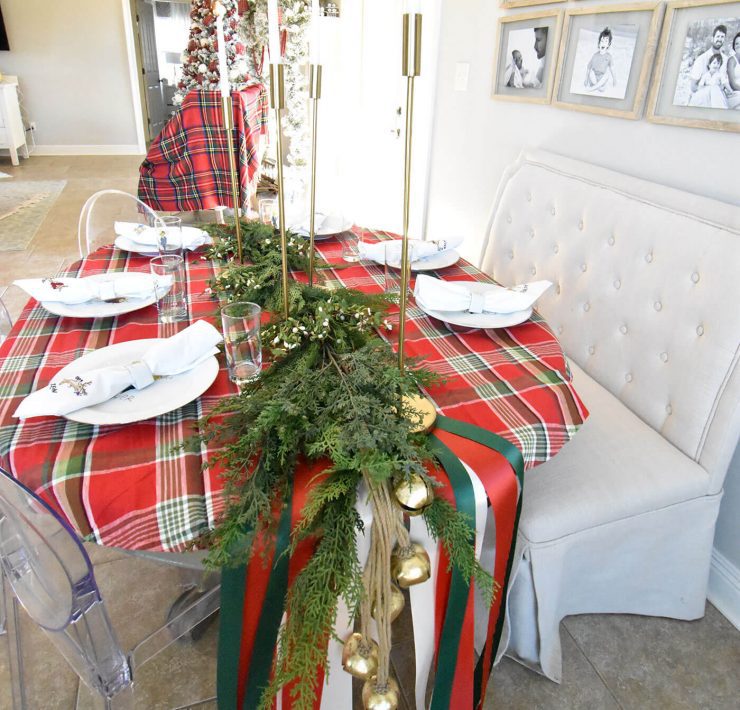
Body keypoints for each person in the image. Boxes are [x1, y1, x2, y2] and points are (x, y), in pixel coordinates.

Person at [688, 24, 731, 108]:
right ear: (712, 38)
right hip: (702, 96)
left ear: (724, 40)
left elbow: (725, 82)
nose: (719, 39)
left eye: (722, 37)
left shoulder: (725, 59)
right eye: (718, 36)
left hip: (720, 96)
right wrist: (710, 90)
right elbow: (693, 87)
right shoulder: (701, 59)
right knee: (715, 89)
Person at [584, 27, 616, 92]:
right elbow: (588, 68)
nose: (603, 43)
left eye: (606, 41)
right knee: (591, 72)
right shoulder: (595, 55)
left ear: (608, 45)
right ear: (599, 43)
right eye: (602, 41)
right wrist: (586, 79)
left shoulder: (609, 56)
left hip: (602, 78)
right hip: (594, 78)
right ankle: (597, 87)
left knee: (607, 74)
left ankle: (594, 88)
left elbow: (612, 69)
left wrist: (614, 79)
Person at [726, 31, 740, 109]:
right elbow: (733, 84)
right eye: (736, 43)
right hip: (735, 94)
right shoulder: (731, 60)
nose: (738, 46)